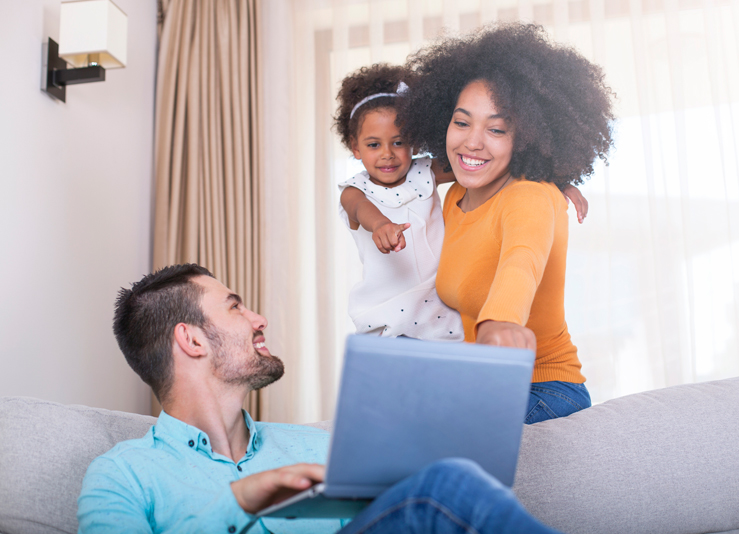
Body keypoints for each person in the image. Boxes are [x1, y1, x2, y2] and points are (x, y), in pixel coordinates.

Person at [77, 263, 563, 534]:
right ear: (193, 341)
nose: (259, 318)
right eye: (235, 307)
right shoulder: (123, 475)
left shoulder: (318, 451)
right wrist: (239, 502)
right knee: (450, 484)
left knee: (448, 480)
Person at [399, 23, 615, 424]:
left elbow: (522, 260)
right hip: (486, 384)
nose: (473, 142)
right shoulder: (452, 200)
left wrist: (499, 324)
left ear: (529, 137)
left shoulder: (531, 195)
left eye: (496, 129)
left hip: (546, 389)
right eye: (462, 123)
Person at [335, 63, 587, 341]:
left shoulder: (425, 174)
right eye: (373, 145)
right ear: (355, 147)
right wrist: (381, 224)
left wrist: (555, 178)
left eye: (398, 142)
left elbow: (521, 261)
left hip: (440, 317)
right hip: (387, 310)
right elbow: (359, 207)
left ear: (414, 143)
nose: (387, 154)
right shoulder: (358, 189)